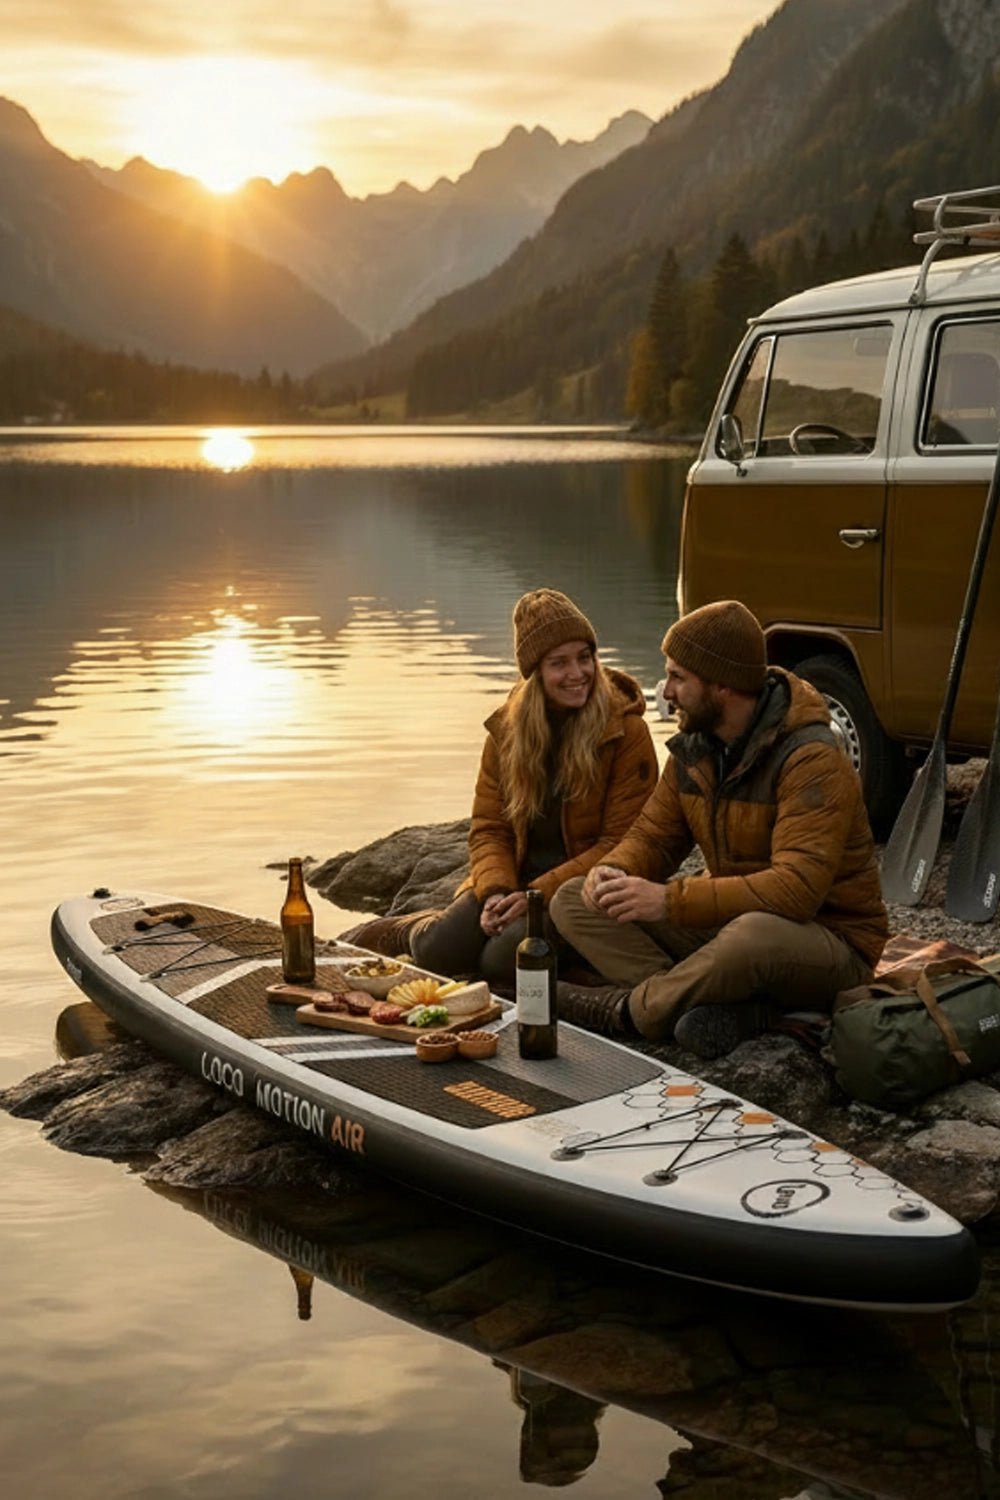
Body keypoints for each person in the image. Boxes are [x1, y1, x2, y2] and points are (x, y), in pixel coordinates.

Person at [550, 599, 888, 1057]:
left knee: (751, 936)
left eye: (677, 677)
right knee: (574, 899)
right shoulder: (697, 748)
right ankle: (698, 1002)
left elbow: (796, 891)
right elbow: (653, 837)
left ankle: (633, 1011)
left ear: (722, 686)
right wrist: (613, 870)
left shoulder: (810, 758)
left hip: (829, 942)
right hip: (733, 924)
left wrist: (668, 901)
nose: (664, 691)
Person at [348, 588, 657, 988]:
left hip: (574, 892)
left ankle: (582, 978)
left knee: (500, 962)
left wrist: (532, 895)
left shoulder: (625, 731)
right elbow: (490, 827)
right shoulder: (507, 732)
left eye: (585, 657)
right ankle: (403, 929)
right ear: (535, 673)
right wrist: (496, 890)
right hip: (514, 880)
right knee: (439, 951)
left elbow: (620, 841)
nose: (577, 673)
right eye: (559, 663)